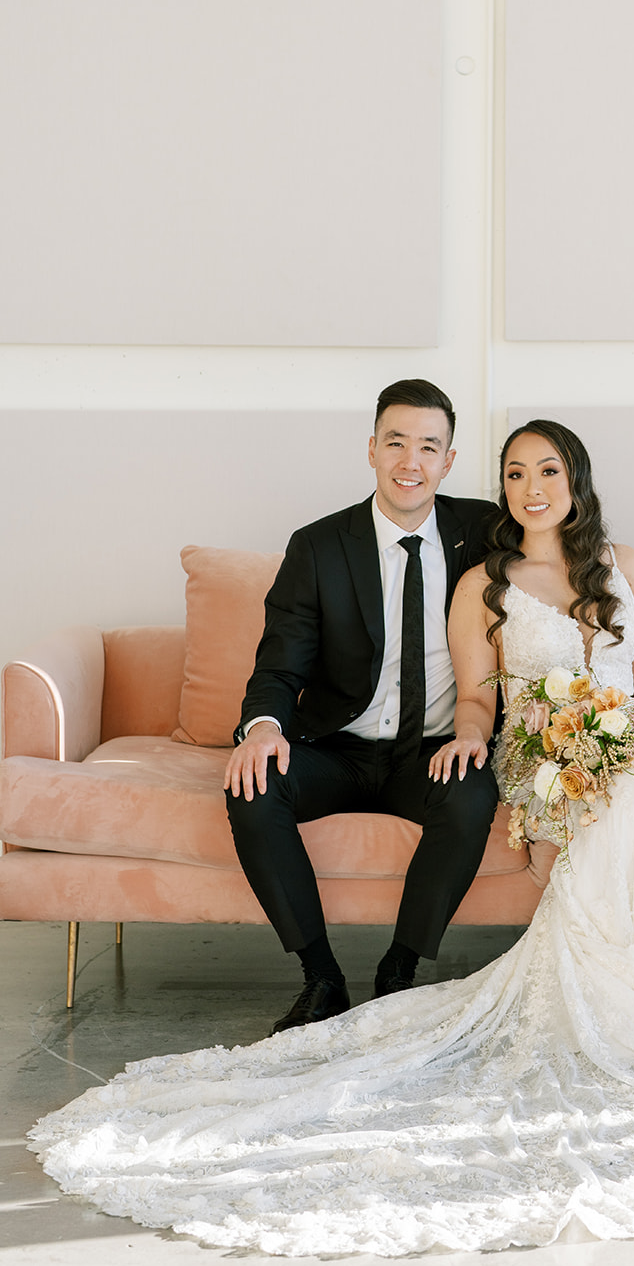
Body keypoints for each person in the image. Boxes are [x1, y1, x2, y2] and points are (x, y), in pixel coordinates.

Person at [30, 420, 634, 1259]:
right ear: (499, 490)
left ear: (576, 481)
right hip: (540, 749)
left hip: (625, 738)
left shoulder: (624, 566)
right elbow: (475, 697)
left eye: (547, 468)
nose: (532, 484)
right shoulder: (486, 583)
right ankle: (592, 996)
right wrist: (477, 742)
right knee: (626, 802)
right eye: (514, 472)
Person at [222, 378, 499, 1035]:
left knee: (470, 796)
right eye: (397, 443)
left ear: (449, 461)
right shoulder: (318, 547)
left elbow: (560, 556)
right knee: (252, 787)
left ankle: (399, 972)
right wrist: (261, 729)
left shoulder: (483, 531)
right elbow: (280, 662)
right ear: (372, 449)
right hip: (338, 747)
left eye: (429, 447)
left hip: (431, 748)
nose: (412, 462)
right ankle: (321, 978)